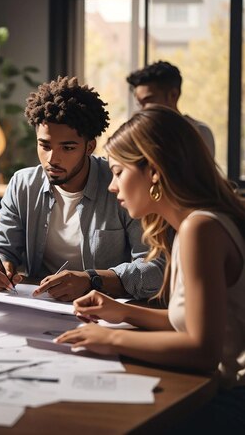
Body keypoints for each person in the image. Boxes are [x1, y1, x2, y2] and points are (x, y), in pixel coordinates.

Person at [56, 105, 245, 430]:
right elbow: (193, 324)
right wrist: (122, 312)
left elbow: (202, 349)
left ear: (154, 172)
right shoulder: (200, 223)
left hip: (231, 403)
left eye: (118, 172)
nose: (112, 186)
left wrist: (109, 339)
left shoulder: (199, 230)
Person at [0, 76, 163, 301]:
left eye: (67, 147)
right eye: (44, 145)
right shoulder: (22, 185)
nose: (52, 159)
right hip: (39, 306)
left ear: (90, 147)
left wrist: (92, 280)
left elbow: (155, 268)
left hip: (105, 310)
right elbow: (2, 246)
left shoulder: (121, 185)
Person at [126, 60, 215, 157]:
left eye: (148, 100)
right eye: (139, 104)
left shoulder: (199, 133)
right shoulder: (138, 135)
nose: (143, 110)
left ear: (173, 95)